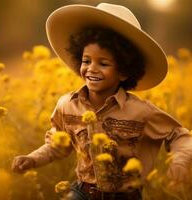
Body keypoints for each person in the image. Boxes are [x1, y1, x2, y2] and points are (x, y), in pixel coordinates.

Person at [12, 3, 192, 200]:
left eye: (103, 63)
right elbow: (57, 144)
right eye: (86, 61)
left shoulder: (141, 111)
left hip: (126, 196)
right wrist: (32, 159)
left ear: (124, 72)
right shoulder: (67, 105)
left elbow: (179, 134)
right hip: (82, 192)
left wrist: (180, 161)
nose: (91, 69)